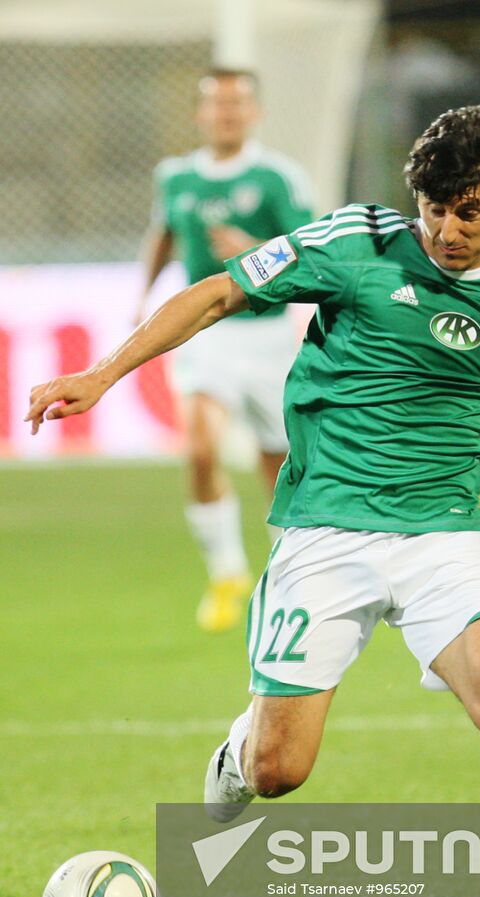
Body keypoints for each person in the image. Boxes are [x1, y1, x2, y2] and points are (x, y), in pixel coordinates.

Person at [27, 105, 480, 897]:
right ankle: (238, 755)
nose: (447, 230)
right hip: (324, 532)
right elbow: (220, 291)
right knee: (280, 771)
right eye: (436, 208)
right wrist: (102, 373)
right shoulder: (355, 244)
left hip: (441, 538)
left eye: (469, 213)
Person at [136, 67, 314, 632]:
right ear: (201, 113)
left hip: (266, 339)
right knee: (200, 446)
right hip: (204, 333)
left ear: (254, 112)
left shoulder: (278, 177)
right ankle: (226, 571)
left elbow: (310, 253)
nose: (227, 113)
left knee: (275, 466)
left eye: (237, 104)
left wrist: (253, 249)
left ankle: (289, 575)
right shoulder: (176, 177)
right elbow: (164, 234)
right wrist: (140, 297)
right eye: (217, 104)